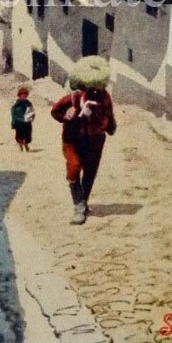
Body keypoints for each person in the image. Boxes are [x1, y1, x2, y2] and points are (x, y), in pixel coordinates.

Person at [51, 57, 116, 224]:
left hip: (95, 140)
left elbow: (109, 114)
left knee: (90, 173)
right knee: (73, 168)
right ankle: (79, 207)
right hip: (72, 140)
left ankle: (83, 202)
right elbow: (55, 111)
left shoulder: (104, 98)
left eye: (98, 88)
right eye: (91, 88)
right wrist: (66, 116)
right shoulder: (72, 99)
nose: (95, 91)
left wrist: (109, 126)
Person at [10, 86, 34, 152]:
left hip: (27, 122)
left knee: (27, 134)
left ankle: (26, 144)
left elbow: (31, 111)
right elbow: (14, 112)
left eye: (25, 95)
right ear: (19, 96)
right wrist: (15, 121)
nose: (24, 97)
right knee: (19, 134)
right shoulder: (17, 104)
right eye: (22, 95)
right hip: (19, 122)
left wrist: (31, 117)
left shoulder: (28, 103)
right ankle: (20, 146)